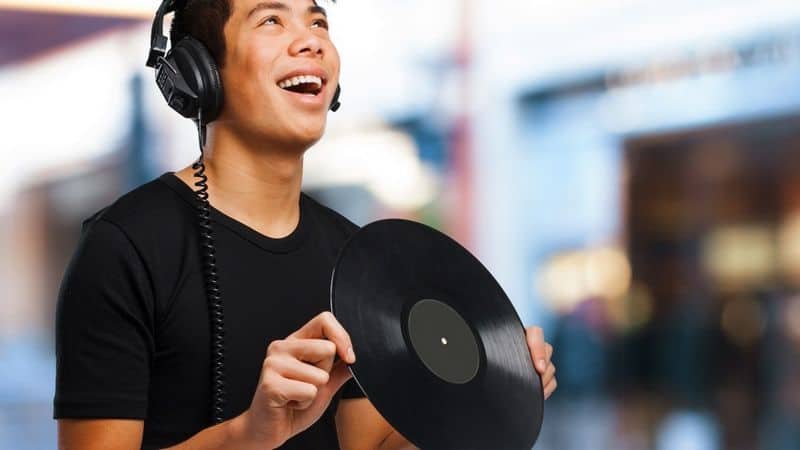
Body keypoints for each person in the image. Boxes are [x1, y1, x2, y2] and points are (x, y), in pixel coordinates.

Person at [53, 0, 558, 449]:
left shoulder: (357, 256)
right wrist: (250, 435)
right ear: (199, 72)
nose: (311, 40)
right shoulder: (123, 247)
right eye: (271, 19)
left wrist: (484, 398)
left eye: (319, 22)